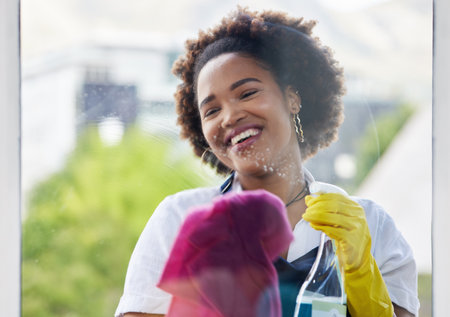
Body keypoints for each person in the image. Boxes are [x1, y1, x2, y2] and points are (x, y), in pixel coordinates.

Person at [115, 7, 419, 317]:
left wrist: (365, 285)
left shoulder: (370, 225)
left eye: (247, 93)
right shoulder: (179, 220)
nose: (230, 116)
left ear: (292, 98)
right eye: (211, 111)